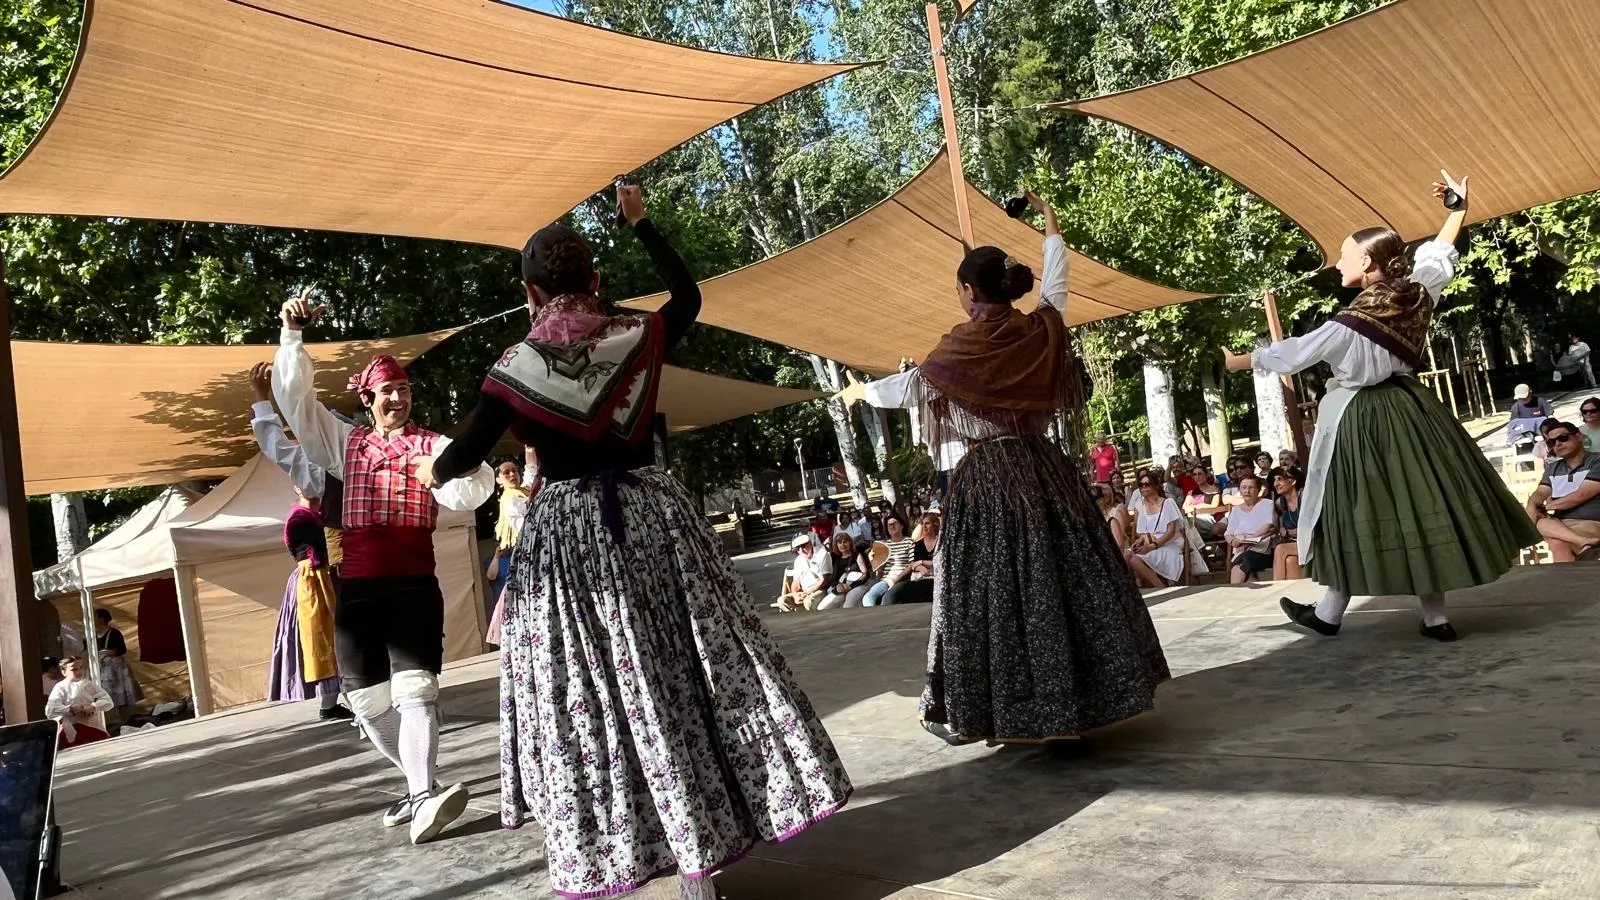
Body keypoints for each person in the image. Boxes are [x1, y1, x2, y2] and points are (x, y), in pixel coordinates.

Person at [413, 185, 850, 899]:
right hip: (655, 522)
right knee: (685, 672)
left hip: (569, 546)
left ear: (529, 289)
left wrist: (435, 464)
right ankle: (701, 854)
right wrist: (642, 223)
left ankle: (650, 850)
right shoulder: (636, 333)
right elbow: (689, 296)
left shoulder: (514, 367)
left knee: (602, 696)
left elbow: (464, 455)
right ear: (593, 278)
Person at [836, 190, 1167, 746]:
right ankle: (1086, 699)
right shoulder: (1042, 331)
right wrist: (1049, 221)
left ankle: (1004, 711)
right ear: (1009, 285)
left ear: (967, 291)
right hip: (1044, 470)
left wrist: (861, 390)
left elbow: (904, 389)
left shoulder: (952, 357)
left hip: (987, 480)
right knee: (1066, 579)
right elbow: (1057, 284)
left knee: (986, 592)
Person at [1225, 171, 1537, 642]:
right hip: (1413, 412)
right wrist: (1457, 211)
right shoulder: (1414, 294)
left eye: (1345, 256)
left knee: (1354, 510)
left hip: (1364, 418)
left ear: (1368, 261)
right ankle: (1434, 618)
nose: (1337, 264)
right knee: (1421, 503)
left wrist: (1239, 361)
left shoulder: (1351, 321)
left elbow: (1296, 351)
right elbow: (1438, 258)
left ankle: (1331, 614)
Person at [273, 295, 495, 845]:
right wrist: (292, 337)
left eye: (405, 390)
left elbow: (478, 482)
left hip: (414, 587)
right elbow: (296, 404)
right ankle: (421, 786)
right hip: (359, 592)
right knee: (367, 704)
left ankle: (422, 795)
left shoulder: (433, 445)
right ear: (368, 398)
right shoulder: (344, 443)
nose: (398, 397)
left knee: (416, 691)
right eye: (388, 391)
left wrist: (438, 474)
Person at [249, 362, 352, 722]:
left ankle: (366, 689)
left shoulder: (357, 459)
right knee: (332, 632)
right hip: (322, 573)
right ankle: (347, 696)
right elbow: (275, 446)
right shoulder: (314, 473)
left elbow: (276, 446)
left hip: (348, 560)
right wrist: (262, 399)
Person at [485, 449, 542, 646]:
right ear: (498, 480)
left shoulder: (522, 492)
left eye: (514, 470)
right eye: (506, 472)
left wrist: (529, 449)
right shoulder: (510, 500)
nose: (512, 474)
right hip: (524, 552)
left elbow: (531, 472)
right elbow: (527, 521)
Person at [1525, 421, 1600, 562]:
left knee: (1557, 542)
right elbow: (1540, 492)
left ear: (1578, 437)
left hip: (1591, 520)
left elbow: (1582, 495)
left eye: (1563, 438)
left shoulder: (1597, 460)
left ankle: (1569, 581)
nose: (1557, 444)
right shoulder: (1552, 468)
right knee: (1541, 523)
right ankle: (1584, 542)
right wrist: (1532, 505)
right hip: (1560, 522)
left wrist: (1546, 506)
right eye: (1552, 442)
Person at [1128, 473, 1185, 588]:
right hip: (1151, 543)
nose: (1143, 487)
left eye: (1147, 484)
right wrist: (1139, 542)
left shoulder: (1167, 503)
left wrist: (1152, 546)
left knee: (1135, 559)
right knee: (1127, 554)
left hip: (1169, 545)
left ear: (1156, 486)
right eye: (1141, 485)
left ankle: (1159, 587)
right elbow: (1143, 533)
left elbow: (1171, 532)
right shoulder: (1143, 508)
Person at [46, 656, 114, 750]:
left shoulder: (89, 685)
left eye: (81, 668)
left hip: (93, 726)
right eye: (74, 669)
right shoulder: (60, 687)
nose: (79, 671)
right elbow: (50, 710)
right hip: (72, 729)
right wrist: (70, 709)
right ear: (64, 672)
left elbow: (108, 701)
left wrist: (93, 707)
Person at [1223, 475, 1276, 584]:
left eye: (1251, 487)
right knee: (1246, 569)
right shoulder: (1236, 510)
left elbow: (1268, 526)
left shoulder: (1267, 504)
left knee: (1243, 562)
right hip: (1240, 550)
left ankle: (1234, 592)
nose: (1247, 491)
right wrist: (1235, 541)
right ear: (1240, 490)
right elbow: (1228, 533)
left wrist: (1249, 540)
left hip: (1262, 550)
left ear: (1258, 490)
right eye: (1244, 487)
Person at [883, 513, 940, 605]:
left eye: (927, 523)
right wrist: (921, 567)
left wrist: (921, 562)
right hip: (921, 578)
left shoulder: (941, 542)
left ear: (935, 525)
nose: (924, 527)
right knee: (906, 594)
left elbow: (940, 562)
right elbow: (914, 565)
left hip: (937, 577)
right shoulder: (918, 544)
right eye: (922, 524)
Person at [92, 608, 143, 713]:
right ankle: (111, 716)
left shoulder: (114, 633)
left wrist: (109, 652)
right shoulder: (92, 636)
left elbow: (122, 649)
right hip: (101, 669)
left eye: (95, 617)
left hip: (115, 669)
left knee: (120, 694)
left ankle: (124, 715)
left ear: (101, 619)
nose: (92, 620)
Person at [860, 514, 914, 607]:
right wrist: (875, 562)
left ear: (902, 526)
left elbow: (911, 565)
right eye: (889, 525)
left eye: (894, 523)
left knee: (887, 600)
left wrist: (896, 580)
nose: (892, 526)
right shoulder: (884, 545)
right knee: (868, 599)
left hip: (903, 579)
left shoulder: (910, 542)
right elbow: (880, 570)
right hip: (886, 580)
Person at [776, 533, 833, 611]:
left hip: (820, 590)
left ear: (810, 543)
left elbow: (824, 580)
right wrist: (795, 595)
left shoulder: (822, 554)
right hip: (803, 592)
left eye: (803, 546)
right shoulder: (798, 560)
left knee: (808, 602)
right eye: (797, 549)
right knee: (782, 600)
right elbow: (795, 582)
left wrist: (808, 593)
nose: (801, 550)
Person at [818, 533, 874, 609]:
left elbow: (865, 574)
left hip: (859, 585)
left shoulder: (857, 555)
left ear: (850, 543)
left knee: (848, 605)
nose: (842, 545)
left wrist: (850, 586)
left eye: (845, 542)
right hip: (842, 587)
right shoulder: (835, 558)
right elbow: (833, 578)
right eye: (839, 543)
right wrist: (838, 585)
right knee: (823, 607)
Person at [1271, 466, 1304, 580]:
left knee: (1280, 549)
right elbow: (1282, 530)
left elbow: (1310, 528)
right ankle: (1292, 593)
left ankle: (1275, 588)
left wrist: (1291, 532)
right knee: (1290, 561)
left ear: (1293, 481)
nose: (1276, 483)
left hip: (1311, 542)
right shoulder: (1280, 503)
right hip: (1294, 543)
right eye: (1274, 480)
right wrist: (1288, 532)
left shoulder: (1303, 497)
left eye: (1280, 479)